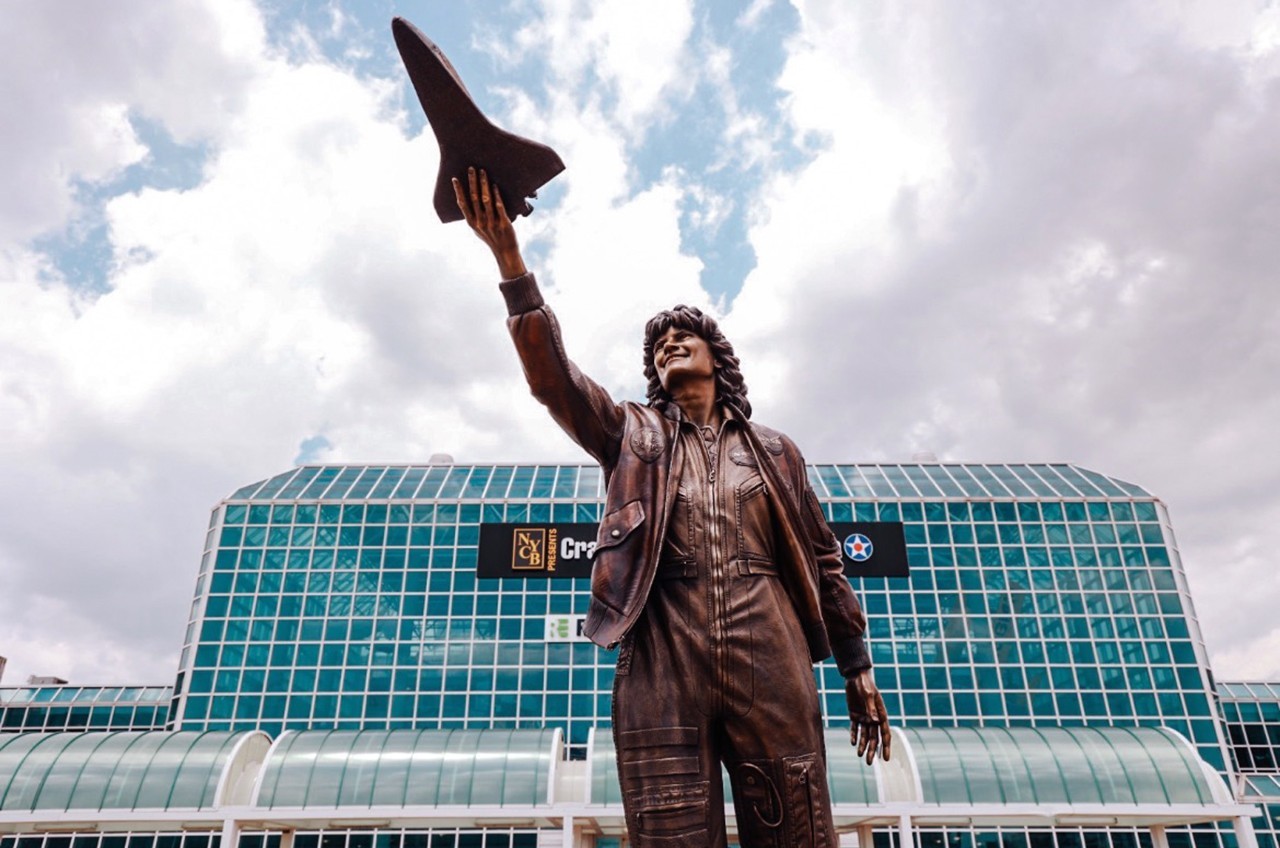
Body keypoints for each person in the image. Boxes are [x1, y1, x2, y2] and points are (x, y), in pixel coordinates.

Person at [453, 167, 890, 847]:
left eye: (685, 339)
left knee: (797, 828)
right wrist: (512, 263)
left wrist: (856, 667)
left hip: (767, 643)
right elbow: (554, 381)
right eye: (658, 347)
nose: (669, 347)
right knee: (671, 833)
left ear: (720, 359)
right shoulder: (631, 433)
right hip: (664, 648)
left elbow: (826, 561)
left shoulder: (775, 451)